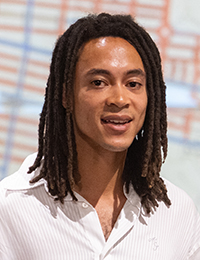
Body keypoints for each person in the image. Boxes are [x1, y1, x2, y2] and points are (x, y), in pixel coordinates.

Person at [0, 13, 199, 260]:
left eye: (133, 83)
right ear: (66, 95)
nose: (119, 99)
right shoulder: (10, 206)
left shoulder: (175, 211)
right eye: (98, 82)